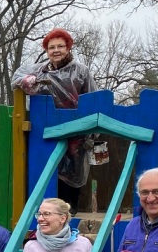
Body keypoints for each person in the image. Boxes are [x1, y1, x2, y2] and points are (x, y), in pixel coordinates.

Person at [12, 28, 97, 211]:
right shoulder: (40, 70)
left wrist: (90, 132)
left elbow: (92, 99)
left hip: (76, 132)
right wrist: (27, 80)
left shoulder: (81, 71)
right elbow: (16, 78)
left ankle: (68, 213)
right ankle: (45, 212)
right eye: (51, 47)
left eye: (60, 46)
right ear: (46, 50)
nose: (56, 50)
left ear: (68, 48)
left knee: (72, 175)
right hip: (45, 131)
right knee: (46, 171)